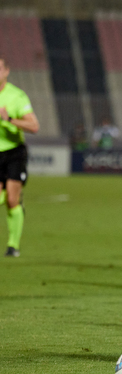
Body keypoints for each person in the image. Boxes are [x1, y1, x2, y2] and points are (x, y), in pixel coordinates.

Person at [0, 57, 39, 257]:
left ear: (6, 71)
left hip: (14, 152)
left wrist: (9, 119)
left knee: (12, 200)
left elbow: (33, 126)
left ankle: (13, 246)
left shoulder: (16, 96)